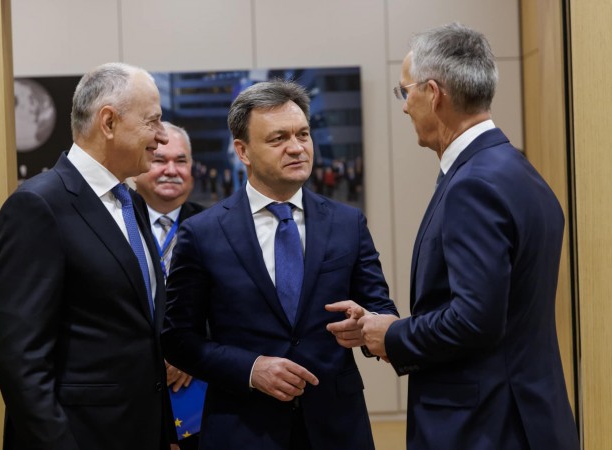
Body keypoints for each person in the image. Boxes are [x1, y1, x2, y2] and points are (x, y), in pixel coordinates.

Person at [334, 23, 579, 449]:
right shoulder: (519, 172)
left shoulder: (473, 185)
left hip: (485, 427)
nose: (406, 107)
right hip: (528, 417)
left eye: (405, 92)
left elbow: (474, 320)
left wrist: (390, 335)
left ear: (433, 93)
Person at [161, 80, 398, 450]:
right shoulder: (203, 233)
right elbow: (178, 340)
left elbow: (382, 309)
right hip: (242, 427)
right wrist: (251, 370)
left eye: (303, 134)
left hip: (336, 427)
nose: (296, 147)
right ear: (243, 151)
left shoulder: (348, 223)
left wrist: (364, 327)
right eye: (278, 139)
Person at [0, 62, 179, 450]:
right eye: (153, 122)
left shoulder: (133, 203)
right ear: (108, 122)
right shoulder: (38, 205)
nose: (162, 138)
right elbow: (20, 359)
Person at [134, 122, 205, 450]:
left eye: (182, 161)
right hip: (131, 387)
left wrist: (186, 352)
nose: (171, 171)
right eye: (160, 160)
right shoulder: (117, 225)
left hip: (199, 390)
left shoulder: (216, 228)